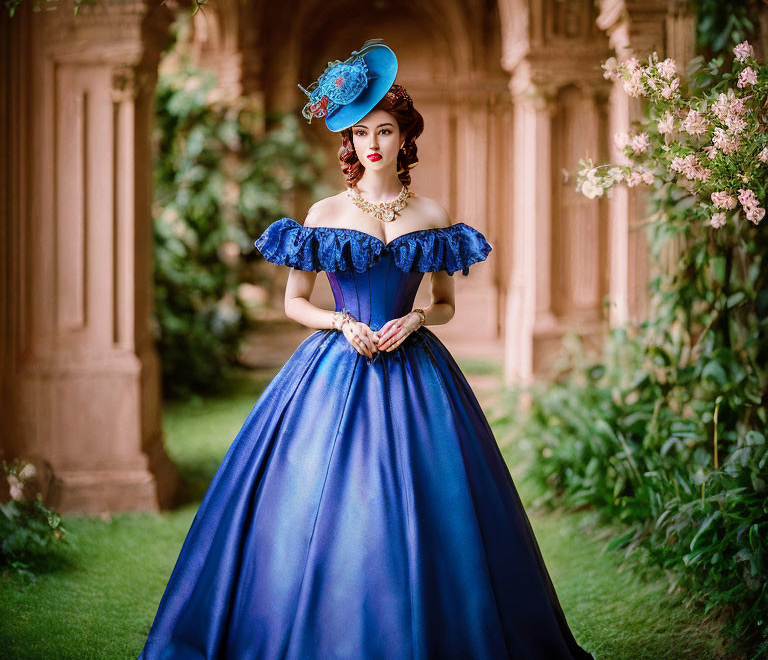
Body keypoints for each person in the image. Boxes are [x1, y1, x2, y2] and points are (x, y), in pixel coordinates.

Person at [137, 40, 595, 659]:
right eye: (359, 132)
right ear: (347, 142)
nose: (372, 142)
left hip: (415, 366)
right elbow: (292, 303)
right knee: (320, 502)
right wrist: (338, 324)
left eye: (384, 130)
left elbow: (447, 303)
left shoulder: (432, 213)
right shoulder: (324, 212)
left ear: (404, 137)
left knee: (442, 504)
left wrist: (416, 320)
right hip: (335, 365)